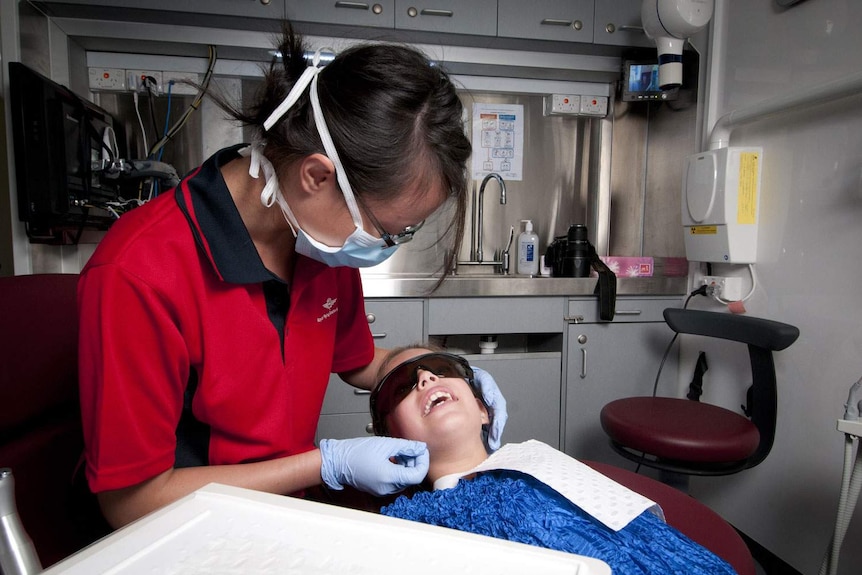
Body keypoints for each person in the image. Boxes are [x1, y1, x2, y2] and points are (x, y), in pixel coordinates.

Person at [77, 23, 508, 529]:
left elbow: (363, 362)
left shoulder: (319, 243)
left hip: (286, 515)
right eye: (388, 231)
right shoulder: (138, 275)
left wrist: (452, 370)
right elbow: (132, 504)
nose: (386, 245)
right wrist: (326, 464)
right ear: (318, 177)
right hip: (190, 533)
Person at [370, 346, 737, 575]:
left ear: (484, 410)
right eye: (401, 387)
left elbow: (646, 537)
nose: (426, 376)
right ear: (393, 442)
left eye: (442, 367)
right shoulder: (416, 525)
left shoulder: (541, 461)